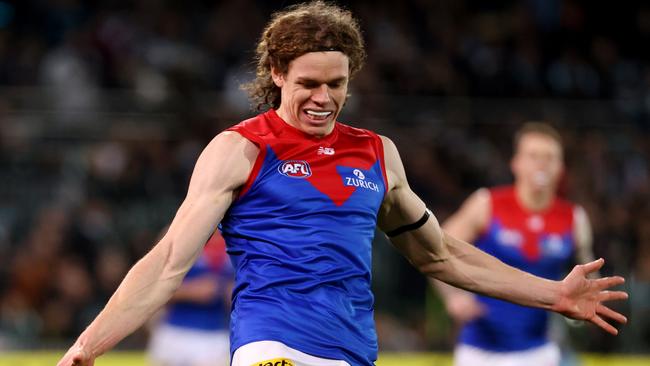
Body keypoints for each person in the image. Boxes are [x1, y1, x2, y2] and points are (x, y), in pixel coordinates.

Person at [57, 2, 628, 366]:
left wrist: (552, 294)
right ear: (276, 74)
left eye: (337, 83)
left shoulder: (377, 154)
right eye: (308, 83)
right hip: (270, 343)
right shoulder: (240, 149)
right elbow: (167, 264)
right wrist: (89, 345)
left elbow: (442, 256)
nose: (323, 98)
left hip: (354, 350)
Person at [431, 122, 596, 366]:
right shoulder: (487, 204)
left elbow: (590, 274)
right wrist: (451, 297)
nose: (541, 163)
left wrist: (587, 298)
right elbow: (434, 248)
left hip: (540, 350)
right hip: (480, 349)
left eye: (549, 157)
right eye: (533, 156)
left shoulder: (574, 219)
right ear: (515, 163)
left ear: (560, 168)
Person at [146, 229, 233, 366]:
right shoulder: (178, 231)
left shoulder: (241, 234)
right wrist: (189, 291)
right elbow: (150, 288)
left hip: (218, 336)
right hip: (176, 333)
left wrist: (236, 295)